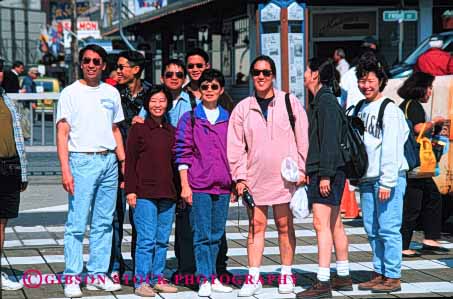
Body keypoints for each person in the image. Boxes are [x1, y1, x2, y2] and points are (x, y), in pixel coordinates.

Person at [228, 55, 309, 296]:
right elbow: (235, 146)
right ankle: (253, 277)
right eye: (256, 72)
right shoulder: (243, 107)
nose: (260, 76)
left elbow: (302, 136)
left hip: (285, 178)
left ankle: (286, 273)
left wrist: (303, 169)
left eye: (265, 72)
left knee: (285, 225)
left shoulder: (289, 102)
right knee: (256, 226)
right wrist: (239, 178)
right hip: (255, 179)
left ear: (273, 75)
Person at [56, 44, 125, 298]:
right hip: (82, 161)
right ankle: (72, 276)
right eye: (87, 60)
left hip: (109, 161)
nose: (92, 64)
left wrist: (123, 161)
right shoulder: (70, 93)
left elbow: (115, 130)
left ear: (104, 65)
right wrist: (65, 170)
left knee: (104, 222)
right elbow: (62, 133)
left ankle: (97, 273)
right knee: (76, 222)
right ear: (81, 64)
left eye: (97, 61)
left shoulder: (111, 92)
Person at [296, 58, 351, 299]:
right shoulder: (326, 99)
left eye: (307, 70)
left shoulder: (325, 101)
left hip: (326, 171)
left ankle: (323, 281)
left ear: (316, 74)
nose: (304, 74)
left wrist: (325, 175)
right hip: (332, 171)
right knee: (334, 224)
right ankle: (343, 275)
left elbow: (328, 141)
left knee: (321, 224)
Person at [175, 69, 233, 297]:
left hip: (223, 185)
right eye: (205, 87)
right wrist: (184, 185)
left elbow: (237, 151)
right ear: (199, 91)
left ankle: (214, 276)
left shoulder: (229, 118)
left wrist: (236, 181)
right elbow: (182, 153)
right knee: (201, 235)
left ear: (221, 90)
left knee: (217, 233)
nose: (209, 90)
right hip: (198, 185)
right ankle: (204, 279)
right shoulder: (189, 118)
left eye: (214, 87)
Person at [355, 52, 409, 293]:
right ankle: (379, 272)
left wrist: (387, 182)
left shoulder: (389, 110)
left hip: (388, 179)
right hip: (367, 179)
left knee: (388, 228)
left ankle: (393, 275)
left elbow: (392, 149)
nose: (365, 86)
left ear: (381, 81)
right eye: (362, 80)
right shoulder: (359, 107)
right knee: (372, 229)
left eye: (370, 81)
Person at [125, 85, 178, 297]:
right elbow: (130, 163)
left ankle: (157, 278)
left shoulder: (171, 131)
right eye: (154, 101)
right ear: (147, 103)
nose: (158, 105)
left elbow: (176, 163)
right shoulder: (138, 129)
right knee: (146, 240)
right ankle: (141, 282)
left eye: (162, 101)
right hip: (144, 193)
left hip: (168, 193)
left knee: (162, 240)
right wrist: (130, 190)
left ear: (168, 104)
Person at [109, 50, 152, 280]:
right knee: (114, 217)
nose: (118, 70)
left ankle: (140, 265)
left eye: (122, 66)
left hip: (144, 165)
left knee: (141, 218)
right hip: (115, 163)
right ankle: (115, 265)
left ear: (135, 69)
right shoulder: (112, 93)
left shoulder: (151, 93)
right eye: (117, 66)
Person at [398, 72, 450, 257]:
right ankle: (404, 245)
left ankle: (430, 238)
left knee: (432, 198)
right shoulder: (413, 106)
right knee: (413, 205)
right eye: (428, 88)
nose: (430, 92)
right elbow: (417, 128)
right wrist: (434, 122)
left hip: (413, 162)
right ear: (420, 88)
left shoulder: (406, 105)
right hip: (416, 163)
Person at [0, 59, 28, 292]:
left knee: (1, 222)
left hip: (9, 167)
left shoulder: (7, 100)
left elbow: (18, 140)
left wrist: (23, 173)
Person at [185, 48, 234, 113]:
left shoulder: (222, 97)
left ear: (207, 66)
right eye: (190, 66)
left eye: (199, 65)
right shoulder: (181, 94)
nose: (195, 69)